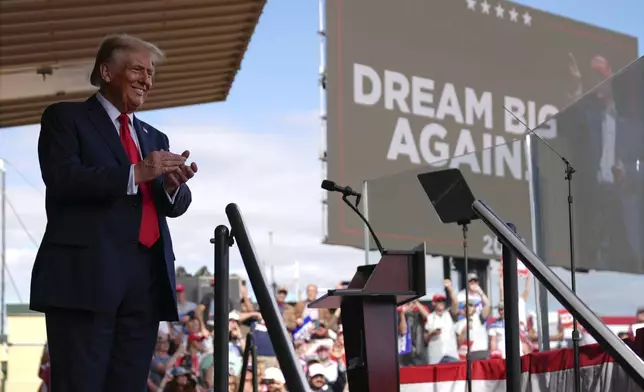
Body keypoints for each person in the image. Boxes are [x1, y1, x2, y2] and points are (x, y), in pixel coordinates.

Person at [29, 34, 197, 391]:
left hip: (146, 281)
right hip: (86, 279)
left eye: (151, 74)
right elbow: (62, 179)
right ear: (107, 71)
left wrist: (171, 186)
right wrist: (138, 172)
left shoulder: (155, 138)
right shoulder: (65, 118)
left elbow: (174, 204)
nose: (146, 80)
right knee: (81, 383)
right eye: (138, 69)